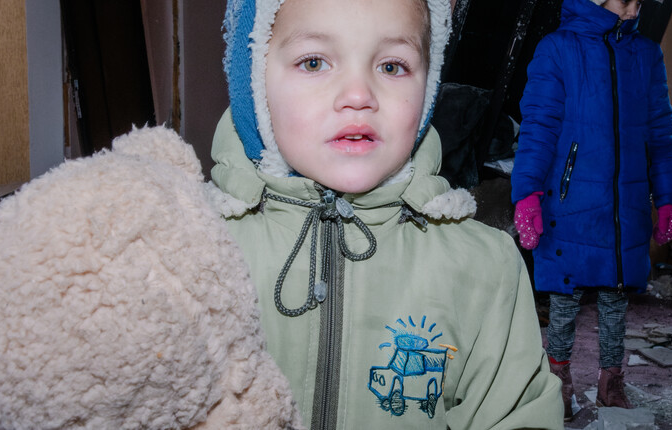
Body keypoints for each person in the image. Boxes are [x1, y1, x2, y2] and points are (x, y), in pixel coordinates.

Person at [214, 0, 563, 428]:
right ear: (254, 83)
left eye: (392, 66)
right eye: (314, 62)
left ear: (429, 83)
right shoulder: (195, 254)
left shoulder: (485, 267)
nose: (359, 95)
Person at [511, 0, 672, 419]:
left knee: (616, 294)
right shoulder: (558, 49)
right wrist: (527, 192)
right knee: (565, 298)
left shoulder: (644, 54)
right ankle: (558, 380)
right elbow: (538, 127)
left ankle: (611, 380)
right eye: (627, 1)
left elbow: (660, 135)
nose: (634, 8)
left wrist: (668, 196)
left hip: (625, 202)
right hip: (570, 198)